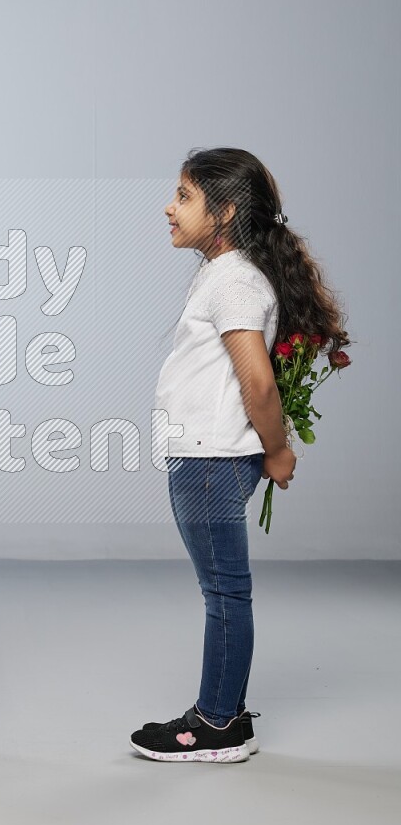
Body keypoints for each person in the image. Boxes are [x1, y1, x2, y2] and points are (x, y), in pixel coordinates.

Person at [129, 147, 348, 763]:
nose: (169, 208)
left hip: (212, 460)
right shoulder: (225, 272)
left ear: (224, 213)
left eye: (184, 196)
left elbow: (258, 383)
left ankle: (218, 723)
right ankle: (222, 714)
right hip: (206, 457)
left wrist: (278, 451)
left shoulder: (233, 281)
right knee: (225, 591)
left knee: (225, 594)